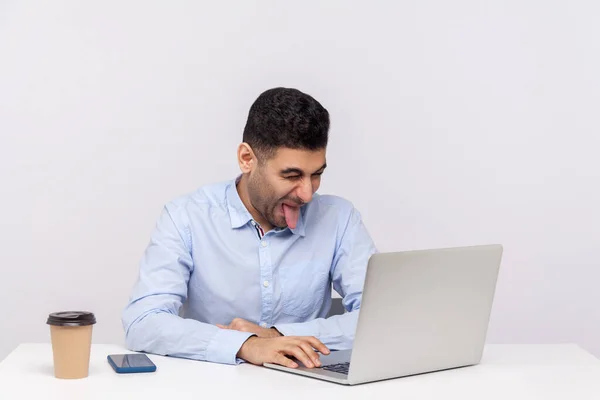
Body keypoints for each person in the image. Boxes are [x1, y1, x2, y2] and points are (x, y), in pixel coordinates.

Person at [122, 87, 377, 369]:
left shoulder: (339, 219)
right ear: (247, 159)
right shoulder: (186, 217)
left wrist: (279, 336)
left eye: (316, 174)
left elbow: (384, 316)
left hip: (308, 389)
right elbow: (143, 322)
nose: (306, 193)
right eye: (291, 175)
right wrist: (246, 345)